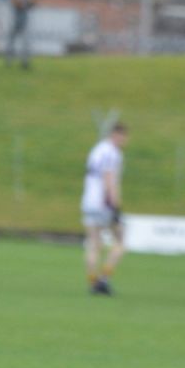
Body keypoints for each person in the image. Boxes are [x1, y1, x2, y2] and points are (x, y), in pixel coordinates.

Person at [81, 123, 127, 296]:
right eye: (123, 137)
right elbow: (109, 178)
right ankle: (104, 279)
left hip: (88, 201)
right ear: (117, 135)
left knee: (94, 244)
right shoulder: (112, 153)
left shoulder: (96, 149)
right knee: (120, 242)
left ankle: (92, 282)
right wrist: (116, 206)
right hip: (104, 203)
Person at [5, 0, 35, 70]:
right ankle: (8, 61)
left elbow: (32, 4)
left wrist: (27, 1)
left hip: (24, 22)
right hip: (15, 21)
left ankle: (25, 62)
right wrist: (21, 2)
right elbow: (16, 3)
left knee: (26, 43)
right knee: (11, 42)